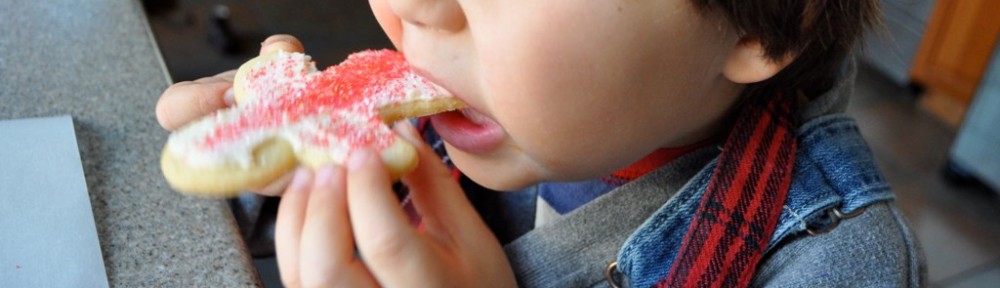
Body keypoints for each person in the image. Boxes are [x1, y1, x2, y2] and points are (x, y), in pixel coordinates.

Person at [156, 0, 925, 286]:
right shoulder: (458, 106)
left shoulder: (834, 265)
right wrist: (284, 185)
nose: (412, 8)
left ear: (768, 19)